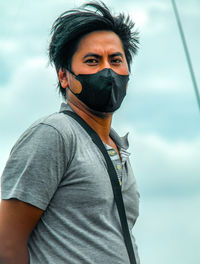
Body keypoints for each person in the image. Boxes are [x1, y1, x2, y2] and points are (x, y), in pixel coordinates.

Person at [0, 2, 140, 263]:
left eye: (116, 59)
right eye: (92, 61)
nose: (107, 70)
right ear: (64, 76)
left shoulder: (118, 147)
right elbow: (7, 244)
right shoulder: (54, 134)